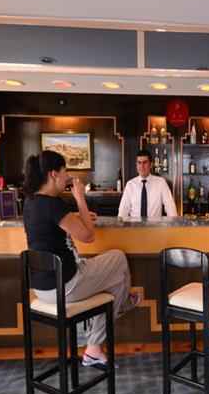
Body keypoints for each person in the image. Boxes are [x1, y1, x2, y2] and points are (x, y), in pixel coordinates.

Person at [22, 150, 136, 369]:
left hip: (41, 289)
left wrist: (78, 217)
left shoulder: (31, 202)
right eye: (65, 171)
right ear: (54, 174)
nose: (67, 177)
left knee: (113, 285)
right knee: (119, 259)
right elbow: (88, 236)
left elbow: (54, 225)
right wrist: (80, 198)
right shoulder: (53, 204)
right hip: (65, 286)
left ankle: (96, 344)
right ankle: (121, 306)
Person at [118, 149, 178, 218]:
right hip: (135, 224)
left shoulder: (161, 183)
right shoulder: (130, 185)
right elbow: (123, 211)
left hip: (154, 224)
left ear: (151, 164)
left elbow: (170, 207)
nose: (142, 166)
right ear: (136, 165)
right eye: (139, 163)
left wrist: (173, 223)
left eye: (145, 162)